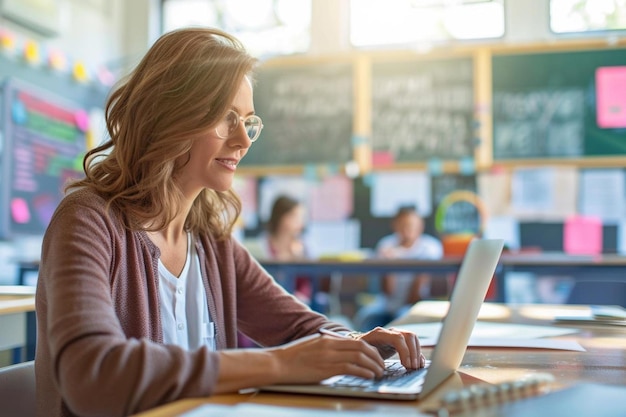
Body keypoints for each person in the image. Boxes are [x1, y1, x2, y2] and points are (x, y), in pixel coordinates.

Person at [34, 28, 424, 417]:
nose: (243, 140)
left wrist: (356, 343)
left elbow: (299, 328)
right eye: (226, 118)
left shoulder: (210, 240)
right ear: (169, 115)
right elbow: (92, 374)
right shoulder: (87, 220)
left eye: (249, 122)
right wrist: (281, 364)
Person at [354, 206, 444, 331]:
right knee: (365, 317)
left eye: (411, 225)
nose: (407, 229)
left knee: (402, 317)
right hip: (387, 303)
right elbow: (387, 291)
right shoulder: (386, 245)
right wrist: (389, 265)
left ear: (420, 226)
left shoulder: (430, 247)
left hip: (416, 303)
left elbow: (418, 293)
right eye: (403, 225)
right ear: (395, 225)